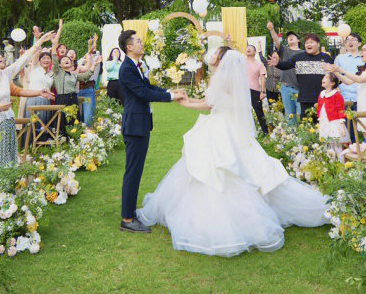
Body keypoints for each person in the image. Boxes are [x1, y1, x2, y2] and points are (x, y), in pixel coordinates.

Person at [136, 48, 327, 255]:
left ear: (221, 60)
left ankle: (220, 221)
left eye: (216, 54)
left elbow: (209, 104)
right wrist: (188, 101)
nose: (212, 57)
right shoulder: (235, 79)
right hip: (231, 128)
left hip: (218, 127)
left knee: (214, 169)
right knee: (241, 169)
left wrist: (185, 103)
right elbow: (213, 104)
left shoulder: (220, 78)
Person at [118, 29, 186, 233]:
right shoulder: (126, 69)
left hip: (141, 125)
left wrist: (169, 92)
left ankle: (130, 212)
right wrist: (172, 98)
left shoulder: (135, 66)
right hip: (135, 127)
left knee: (136, 172)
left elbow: (149, 86)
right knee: (132, 172)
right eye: (138, 41)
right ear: (129, 46)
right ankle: (127, 219)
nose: (141, 43)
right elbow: (142, 93)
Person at [0, 33, 56, 175]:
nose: (0, 56)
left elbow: (24, 59)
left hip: (8, 123)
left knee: (9, 159)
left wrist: (40, 40)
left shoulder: (6, 75)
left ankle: (9, 189)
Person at [269, 33, 331, 124]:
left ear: (318, 44)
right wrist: (277, 63)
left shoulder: (326, 58)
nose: (308, 45)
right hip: (305, 97)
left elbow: (333, 75)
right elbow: (286, 65)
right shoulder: (299, 57)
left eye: (311, 42)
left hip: (322, 97)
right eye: (306, 43)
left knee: (323, 123)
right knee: (306, 124)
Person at [332, 42, 366, 143]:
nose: (362, 52)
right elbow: (347, 82)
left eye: (364, 49)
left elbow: (360, 80)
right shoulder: (362, 70)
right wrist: (335, 71)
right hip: (362, 106)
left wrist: (342, 70)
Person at [266, 21, 301, 122]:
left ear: (298, 40)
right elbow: (276, 41)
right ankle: (291, 136)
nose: (290, 37)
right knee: (290, 115)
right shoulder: (285, 51)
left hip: (300, 88)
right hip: (286, 87)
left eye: (293, 36)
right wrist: (272, 29)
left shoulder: (304, 53)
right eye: (288, 37)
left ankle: (303, 137)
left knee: (302, 114)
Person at [316, 72, 347, 158]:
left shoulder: (337, 95)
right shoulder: (322, 94)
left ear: (332, 83)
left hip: (334, 122)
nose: (323, 79)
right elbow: (319, 108)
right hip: (325, 122)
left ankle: (341, 165)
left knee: (337, 145)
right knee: (329, 145)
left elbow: (341, 110)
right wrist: (319, 121)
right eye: (323, 77)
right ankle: (332, 164)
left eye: (326, 78)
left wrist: (342, 126)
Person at [20, 49, 55, 119]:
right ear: (39, 61)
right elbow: (35, 55)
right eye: (43, 58)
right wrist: (37, 39)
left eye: (48, 58)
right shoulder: (35, 68)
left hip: (45, 101)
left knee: (43, 125)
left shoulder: (52, 73)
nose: (46, 60)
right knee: (32, 124)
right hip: (33, 99)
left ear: (51, 61)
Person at [76, 35, 101, 126]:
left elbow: (94, 55)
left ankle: (88, 137)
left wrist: (93, 43)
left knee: (88, 117)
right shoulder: (79, 63)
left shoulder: (95, 64)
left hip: (88, 89)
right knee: (76, 118)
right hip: (76, 91)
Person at [334, 32, 363, 107]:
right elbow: (334, 76)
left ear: (359, 43)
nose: (350, 42)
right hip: (344, 97)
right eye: (348, 40)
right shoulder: (339, 58)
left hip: (361, 97)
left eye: (353, 39)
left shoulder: (364, 59)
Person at [245, 44, 269, 134]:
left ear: (255, 52)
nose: (248, 49)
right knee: (242, 111)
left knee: (259, 111)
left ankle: (265, 132)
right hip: (243, 90)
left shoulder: (259, 64)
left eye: (251, 48)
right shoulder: (241, 61)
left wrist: (262, 92)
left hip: (255, 91)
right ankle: (245, 132)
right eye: (247, 48)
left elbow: (263, 79)